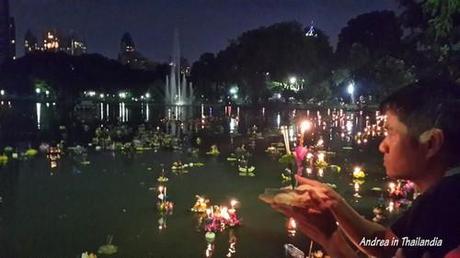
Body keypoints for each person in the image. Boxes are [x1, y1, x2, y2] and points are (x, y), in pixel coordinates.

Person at [271, 79, 460, 258]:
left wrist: (331, 240)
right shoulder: (435, 201)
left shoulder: (450, 213)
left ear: (431, 143)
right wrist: (334, 202)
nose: (382, 146)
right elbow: (388, 245)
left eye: (391, 132)